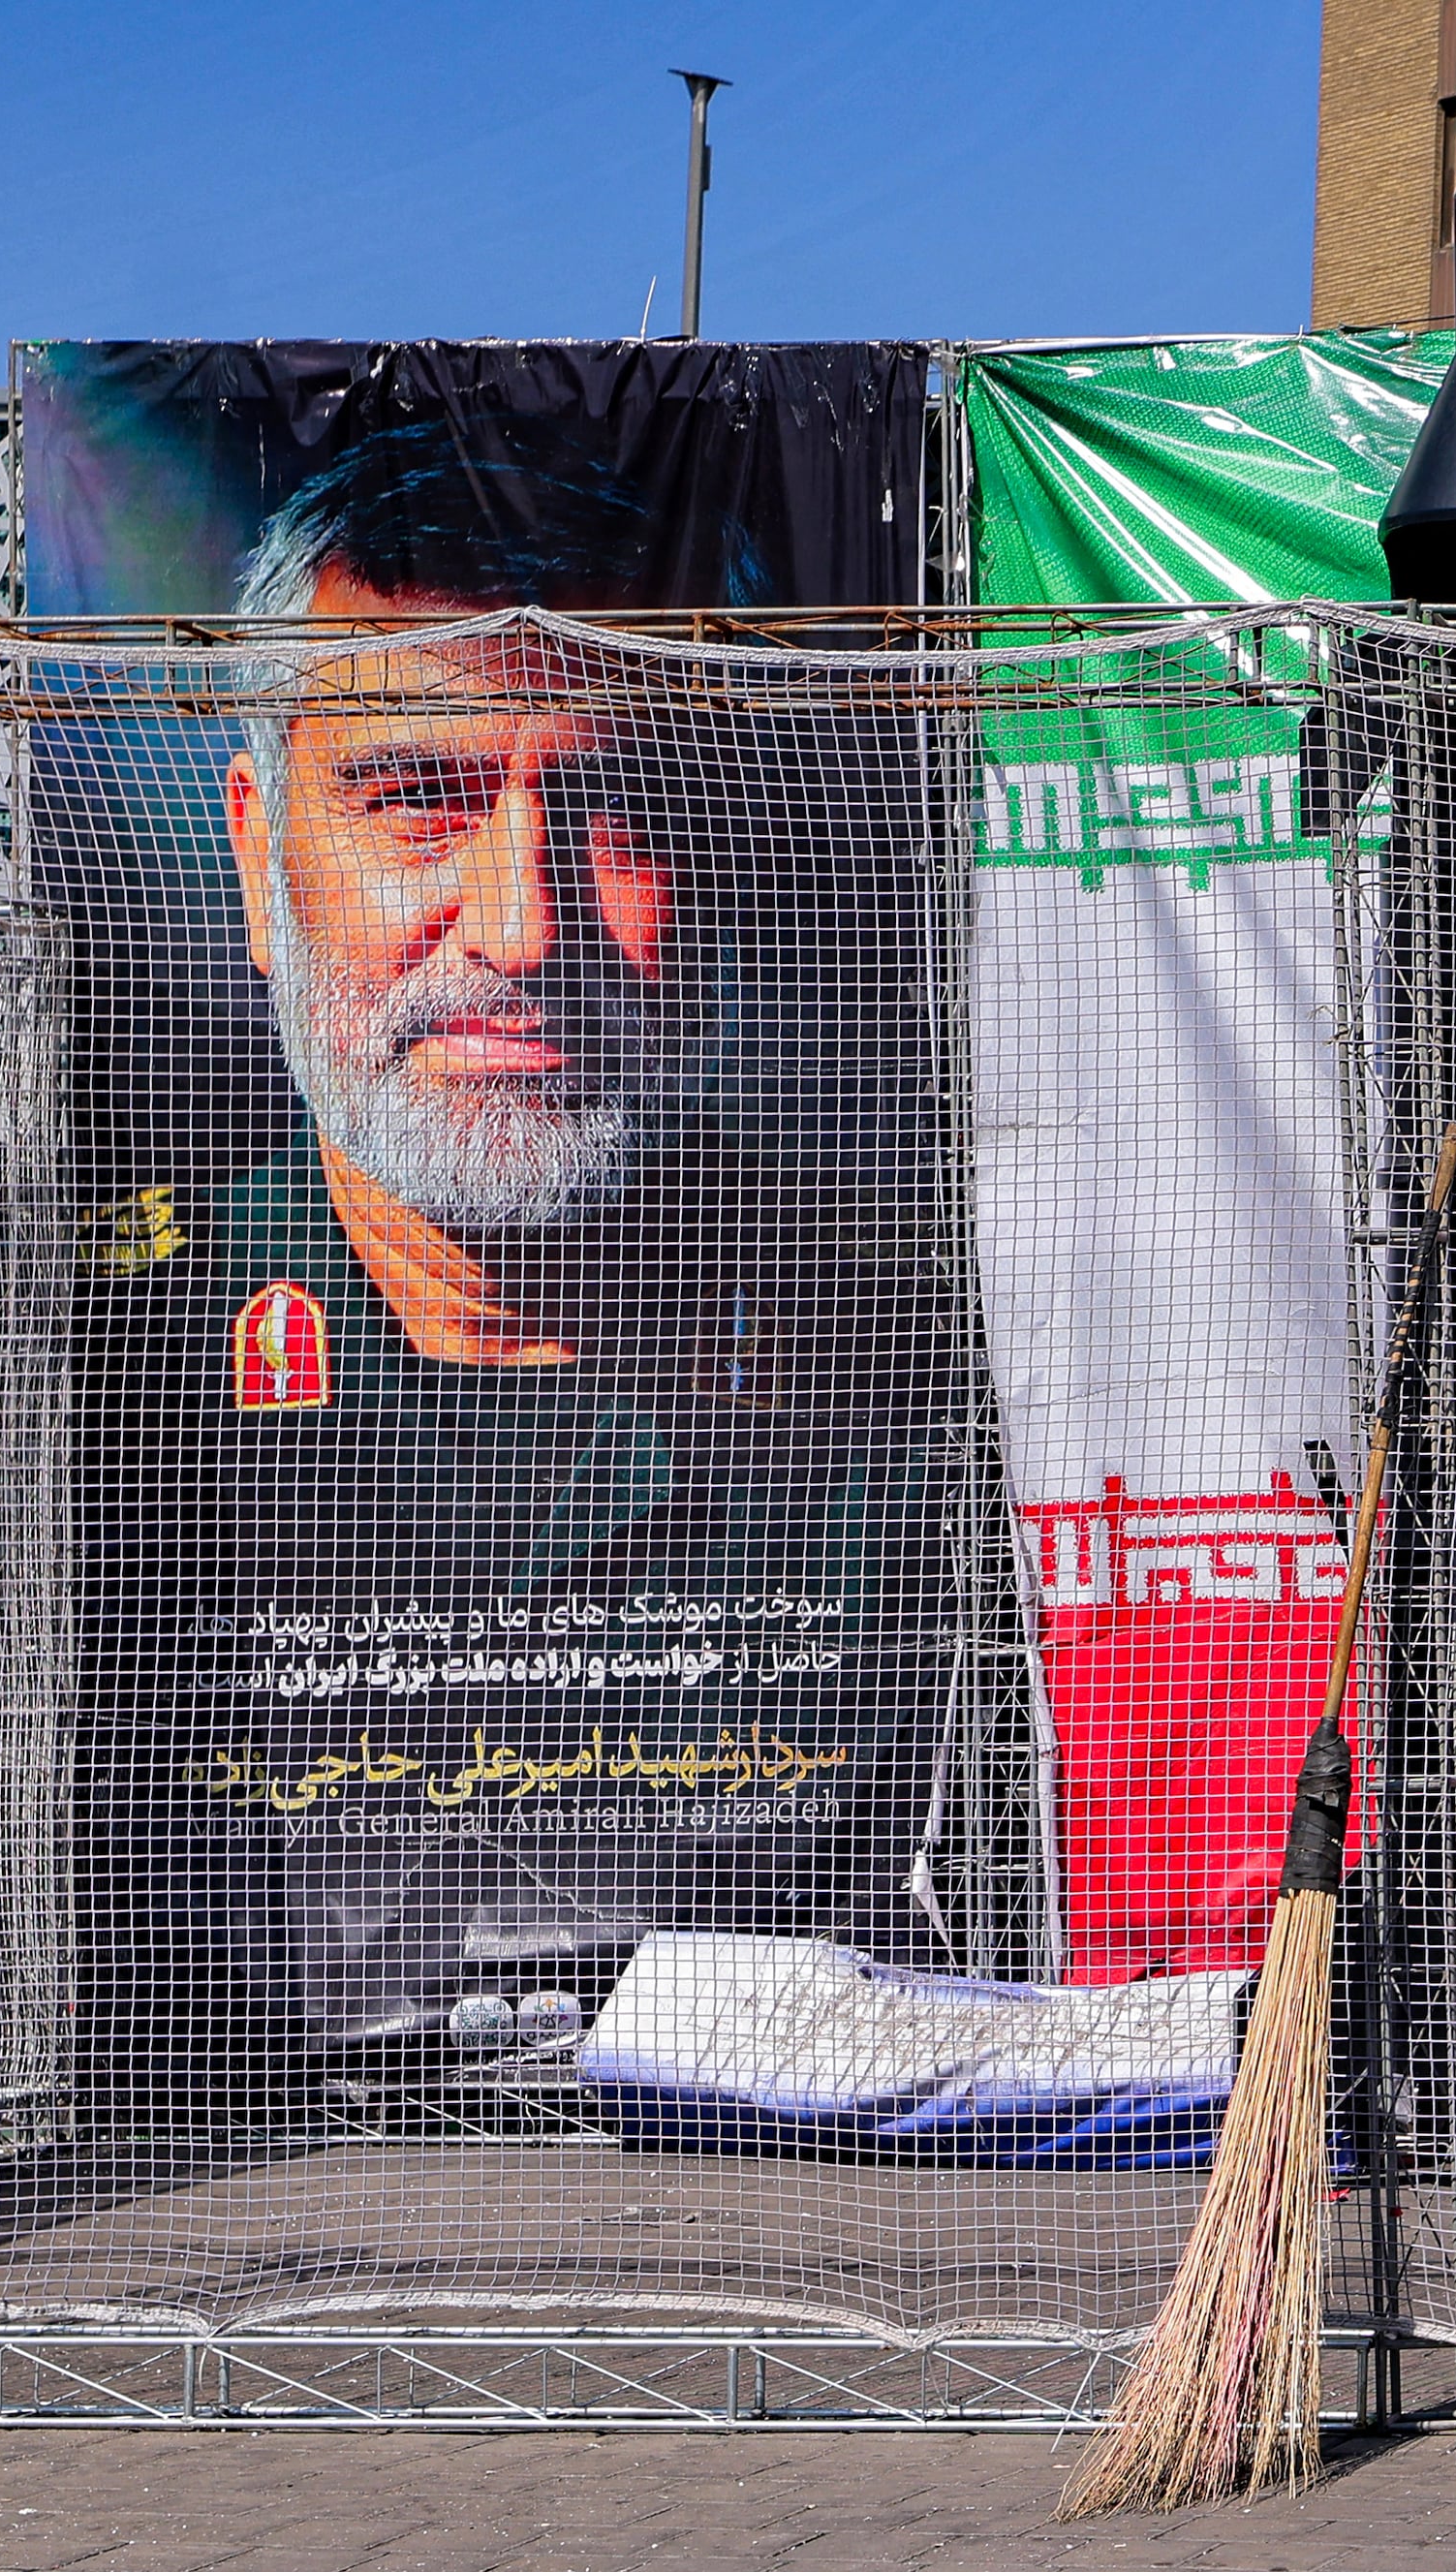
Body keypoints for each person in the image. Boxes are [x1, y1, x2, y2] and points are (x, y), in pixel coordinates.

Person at [83, 419, 963, 2093]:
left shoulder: (910, 1364)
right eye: (418, 797)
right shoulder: (111, 1373)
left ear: (718, 857)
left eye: (611, 803)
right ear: (262, 860)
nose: (525, 925)